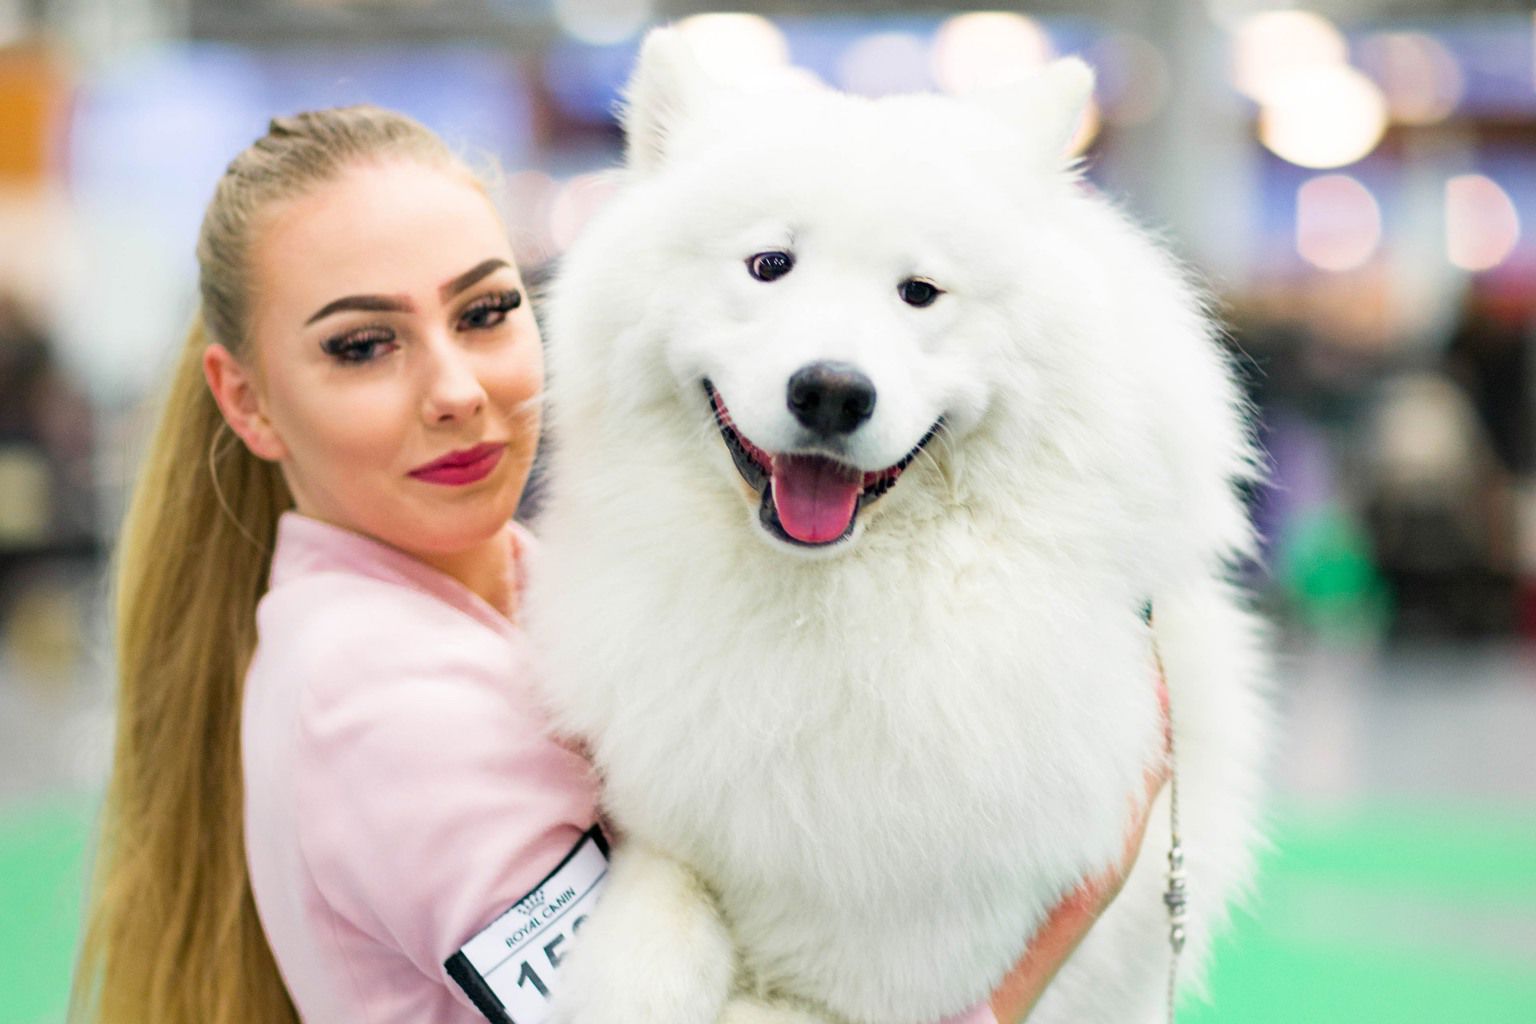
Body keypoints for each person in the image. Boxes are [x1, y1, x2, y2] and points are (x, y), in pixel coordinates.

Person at [71, 105, 1166, 1024]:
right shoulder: (381, 702)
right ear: (248, 400)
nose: (456, 389)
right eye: (364, 345)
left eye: (486, 311)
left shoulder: (533, 585)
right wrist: (1060, 924)